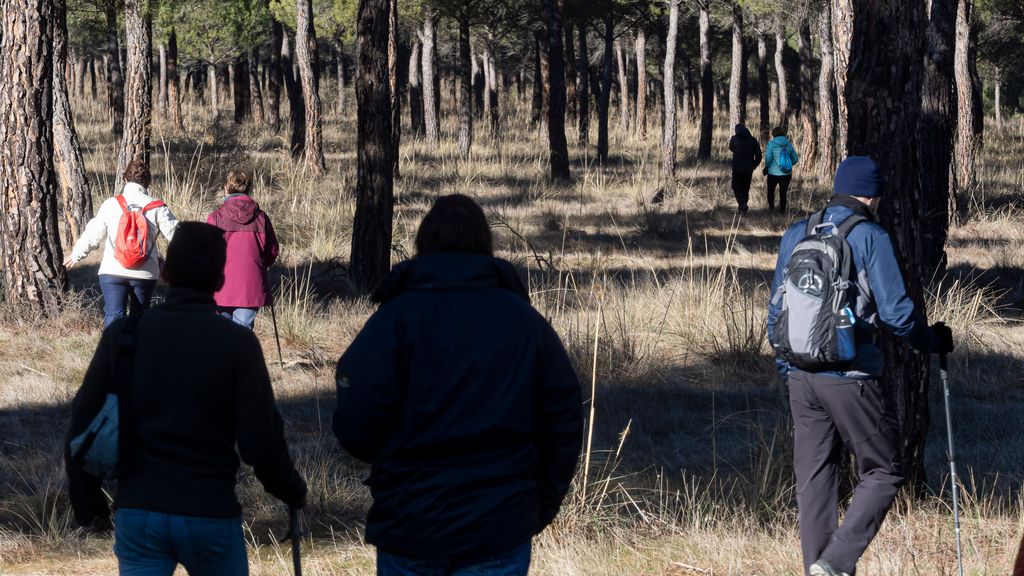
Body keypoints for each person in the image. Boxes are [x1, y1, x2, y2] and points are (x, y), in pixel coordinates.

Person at [333, 194, 583, 576]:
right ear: (485, 244)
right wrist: (537, 505)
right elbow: (563, 421)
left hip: (413, 523)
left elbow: (356, 418)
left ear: (424, 243)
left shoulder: (395, 319)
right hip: (496, 527)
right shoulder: (523, 322)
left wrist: (393, 470)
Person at [66, 222, 307, 576]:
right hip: (209, 511)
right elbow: (261, 440)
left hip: (140, 511)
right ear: (220, 280)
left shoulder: (125, 335)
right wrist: (291, 490)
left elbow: (81, 423)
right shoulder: (237, 343)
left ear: (165, 270)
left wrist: (90, 508)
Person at [767, 157, 954, 576]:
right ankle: (834, 563)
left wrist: (788, 370)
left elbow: (775, 311)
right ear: (873, 195)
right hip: (850, 376)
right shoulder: (870, 235)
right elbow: (898, 315)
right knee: (886, 469)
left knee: (814, 480)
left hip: (800, 376)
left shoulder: (798, 232)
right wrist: (932, 341)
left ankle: (818, 569)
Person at [65, 160, 179, 328]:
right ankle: (136, 351)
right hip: (145, 273)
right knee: (139, 315)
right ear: (147, 183)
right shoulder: (157, 206)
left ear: (125, 180)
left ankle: (112, 350)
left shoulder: (111, 203)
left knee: (114, 314)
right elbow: (176, 235)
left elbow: (94, 233)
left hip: (112, 270)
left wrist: (76, 254)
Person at [206, 170, 280, 329]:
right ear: (249, 189)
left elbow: (207, 253)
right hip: (250, 284)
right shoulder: (261, 217)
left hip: (221, 286)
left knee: (221, 333)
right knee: (242, 334)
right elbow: (272, 250)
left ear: (226, 188)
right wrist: (260, 265)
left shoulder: (215, 217)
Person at [763, 126, 799, 213]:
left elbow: (768, 158)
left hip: (773, 173)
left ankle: (771, 208)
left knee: (770, 191)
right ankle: (782, 211)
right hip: (786, 174)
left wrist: (767, 166)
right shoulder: (788, 144)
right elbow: (795, 159)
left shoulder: (771, 144)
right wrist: (788, 165)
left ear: (773, 134)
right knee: (783, 193)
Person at [728, 124, 763, 213]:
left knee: (735, 186)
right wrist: (754, 165)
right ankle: (743, 204)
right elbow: (759, 155)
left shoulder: (734, 139)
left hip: (737, 168)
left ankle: (742, 203)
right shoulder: (753, 140)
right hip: (748, 169)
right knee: (745, 187)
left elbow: (731, 148)